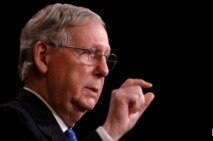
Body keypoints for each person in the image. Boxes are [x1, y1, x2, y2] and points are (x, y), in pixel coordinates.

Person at [0, 3, 155, 141]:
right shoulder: (11, 122)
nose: (104, 70)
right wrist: (110, 131)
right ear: (43, 57)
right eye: (89, 53)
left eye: (106, 58)